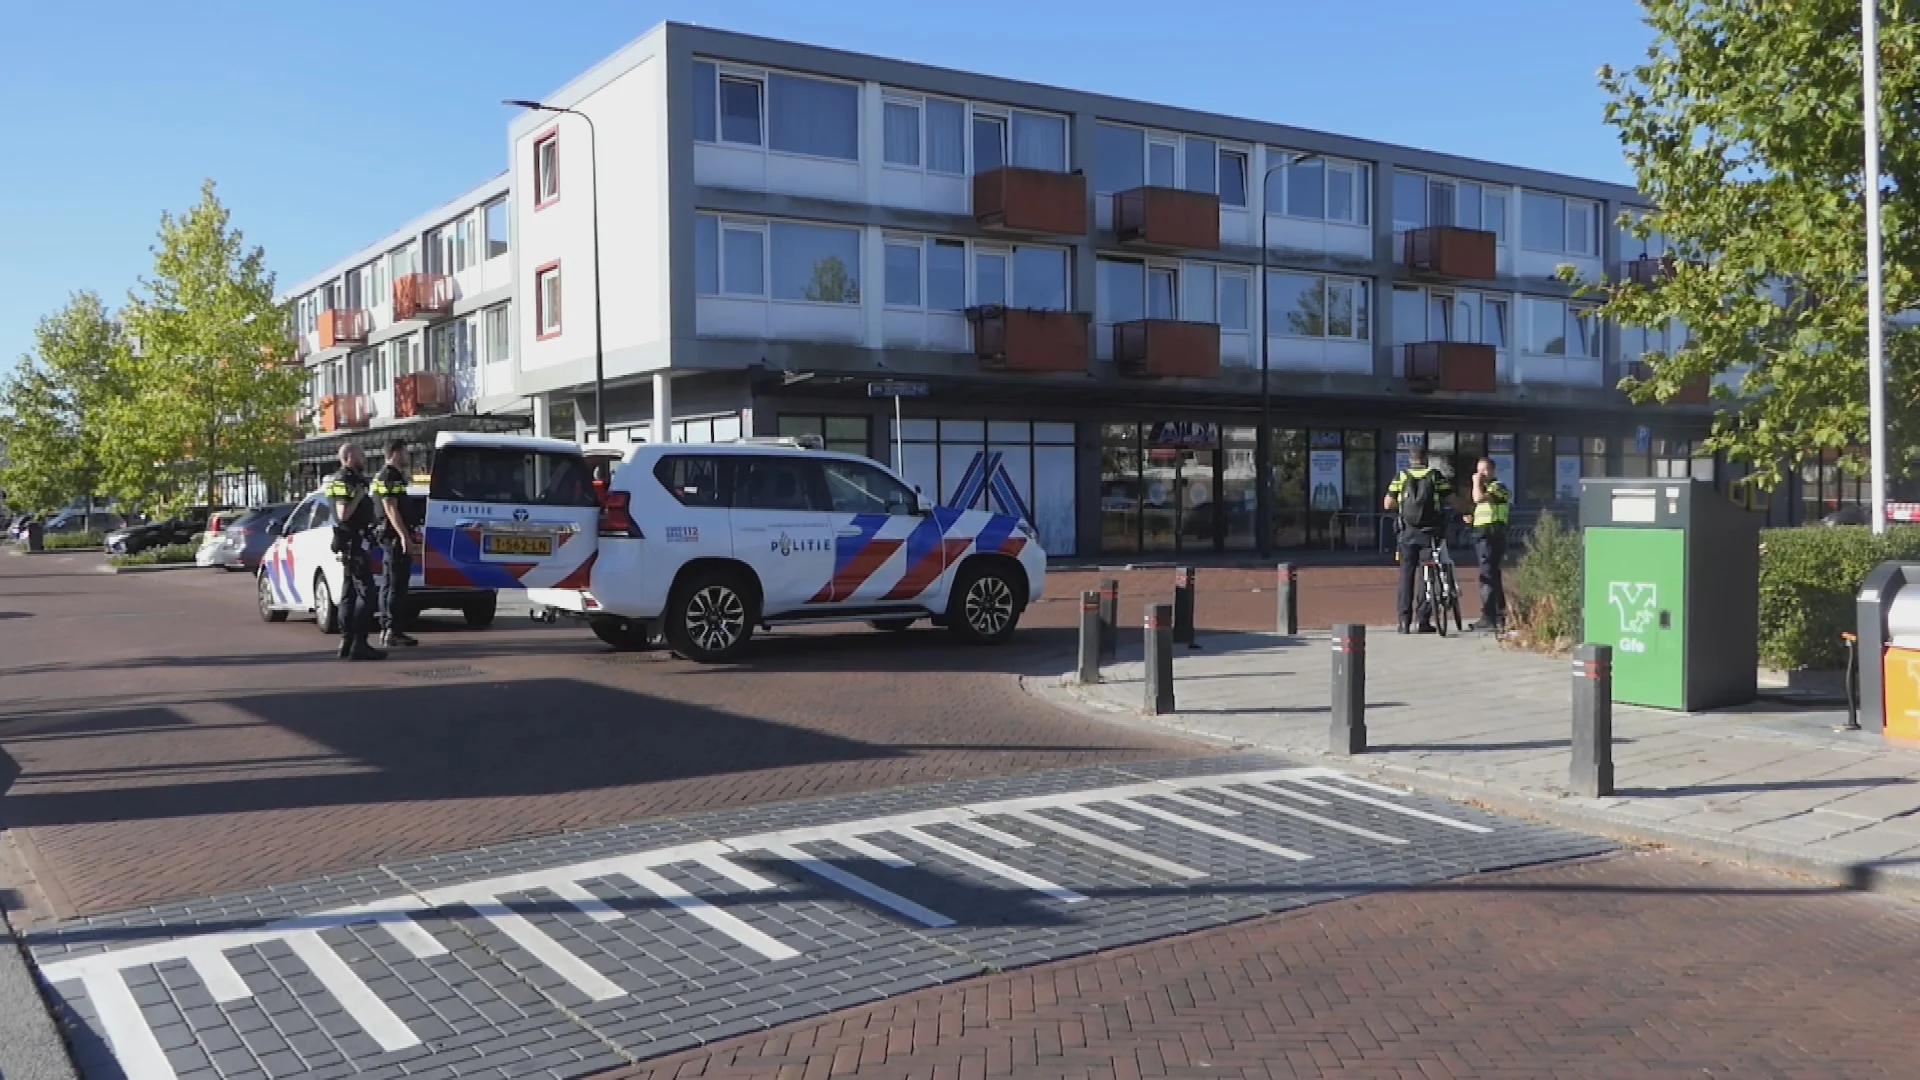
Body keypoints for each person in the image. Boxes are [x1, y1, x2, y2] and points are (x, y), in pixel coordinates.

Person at [1383, 448, 1454, 634]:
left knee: (1406, 576)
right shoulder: (1435, 476)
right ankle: (1423, 620)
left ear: (1411, 460)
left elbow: (1387, 504)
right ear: (1425, 459)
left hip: (1407, 533)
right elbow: (1451, 499)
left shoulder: (1401, 476)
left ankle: (1403, 622)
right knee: (1427, 574)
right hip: (1430, 533)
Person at [326, 445, 387, 662]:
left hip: (352, 542)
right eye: (362, 455)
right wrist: (360, 495)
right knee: (367, 593)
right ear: (350, 457)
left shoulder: (349, 478)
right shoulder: (345, 480)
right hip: (353, 543)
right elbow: (343, 513)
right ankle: (359, 643)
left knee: (349, 593)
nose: (364, 458)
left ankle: (347, 641)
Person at [372, 439, 419, 648]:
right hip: (392, 537)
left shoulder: (391, 476)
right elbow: (390, 508)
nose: (407, 456)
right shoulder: (389, 475)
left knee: (393, 583)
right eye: (405, 452)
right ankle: (392, 630)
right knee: (395, 584)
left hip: (391, 536)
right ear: (395, 453)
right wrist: (403, 537)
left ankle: (391, 629)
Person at [1469, 457, 1511, 631]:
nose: (1481, 474)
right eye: (1479, 470)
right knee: (1492, 575)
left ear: (1493, 471)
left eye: (1485, 470)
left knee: (1487, 575)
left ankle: (1489, 617)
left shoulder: (1497, 487)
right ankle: (1499, 614)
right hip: (1483, 534)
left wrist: (1475, 481)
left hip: (1492, 535)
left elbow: (1478, 498)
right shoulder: (1486, 488)